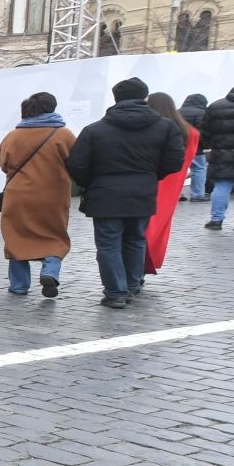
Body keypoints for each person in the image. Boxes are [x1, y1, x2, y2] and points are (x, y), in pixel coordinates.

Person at [65, 76, 186, 307]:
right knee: (135, 239)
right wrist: (151, 176)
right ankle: (132, 285)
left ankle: (116, 292)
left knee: (109, 244)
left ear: (115, 98)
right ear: (144, 97)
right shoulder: (166, 127)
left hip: (105, 194)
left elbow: (76, 164)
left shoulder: (94, 130)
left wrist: (93, 182)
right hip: (142, 191)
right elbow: (174, 162)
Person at [0, 92, 76, 298]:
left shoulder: (13, 136)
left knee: (16, 237)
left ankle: (19, 285)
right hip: (53, 195)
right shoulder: (64, 135)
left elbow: (4, 164)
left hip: (18, 195)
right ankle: (49, 271)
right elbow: (76, 162)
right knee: (53, 235)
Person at [144, 93, 198, 277]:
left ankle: (140, 263)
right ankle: (147, 260)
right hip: (173, 182)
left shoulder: (151, 128)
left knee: (144, 224)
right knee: (159, 224)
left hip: (150, 178)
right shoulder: (189, 132)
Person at [200, 74, 234, 230]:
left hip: (221, 154)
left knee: (221, 186)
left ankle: (216, 219)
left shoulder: (216, 106)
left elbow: (205, 132)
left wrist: (207, 144)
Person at [180, 94, 209, 201]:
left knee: (179, 170)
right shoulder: (201, 113)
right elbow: (201, 131)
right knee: (199, 169)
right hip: (194, 147)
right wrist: (205, 145)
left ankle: (178, 194)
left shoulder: (177, 112)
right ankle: (197, 194)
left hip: (177, 146)